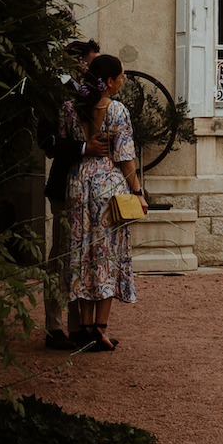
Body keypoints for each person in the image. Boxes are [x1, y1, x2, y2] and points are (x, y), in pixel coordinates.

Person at [62, 53, 142, 352]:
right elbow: (125, 157)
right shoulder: (117, 110)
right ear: (108, 82)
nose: (123, 80)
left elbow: (62, 142)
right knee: (106, 254)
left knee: (83, 252)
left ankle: (84, 327)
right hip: (107, 185)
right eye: (120, 76)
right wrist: (138, 192)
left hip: (77, 183)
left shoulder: (71, 108)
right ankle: (101, 328)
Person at [39, 39, 101, 350]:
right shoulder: (56, 95)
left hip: (92, 189)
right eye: (90, 64)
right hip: (65, 185)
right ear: (77, 64)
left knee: (84, 256)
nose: (94, 71)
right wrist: (83, 147)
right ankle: (53, 328)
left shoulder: (91, 96)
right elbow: (47, 143)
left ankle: (80, 328)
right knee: (61, 256)